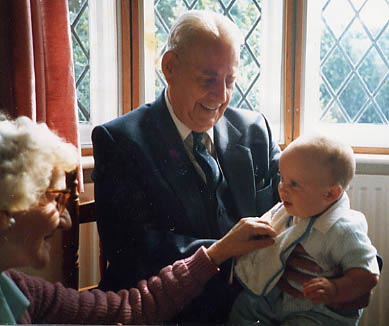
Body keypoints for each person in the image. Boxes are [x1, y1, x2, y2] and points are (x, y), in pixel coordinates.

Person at [91, 9, 281, 322]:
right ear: (169, 68)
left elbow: (296, 206)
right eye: (208, 79)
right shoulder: (120, 141)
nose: (221, 96)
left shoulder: (254, 129)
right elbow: (133, 252)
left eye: (230, 81)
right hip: (169, 311)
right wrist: (225, 250)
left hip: (250, 306)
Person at [0, 114, 278, 324]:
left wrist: (219, 252)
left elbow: (131, 307)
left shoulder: (21, 290)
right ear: (6, 211)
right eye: (55, 199)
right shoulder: (122, 137)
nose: (66, 222)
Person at [229, 134, 380, 325]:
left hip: (319, 312)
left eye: (294, 184)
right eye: (282, 179)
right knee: (243, 308)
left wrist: (335, 289)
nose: (282, 189)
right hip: (278, 299)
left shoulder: (343, 229)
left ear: (330, 193)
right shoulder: (290, 209)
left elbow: (368, 274)